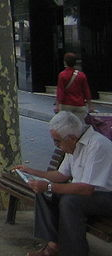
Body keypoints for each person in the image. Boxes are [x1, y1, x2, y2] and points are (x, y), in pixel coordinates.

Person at [15, 111, 112, 256]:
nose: (56, 145)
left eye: (57, 141)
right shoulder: (73, 145)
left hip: (105, 196)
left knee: (70, 201)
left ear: (71, 138)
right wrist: (33, 172)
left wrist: (49, 186)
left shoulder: (97, 145)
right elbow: (61, 175)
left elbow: (86, 189)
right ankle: (53, 245)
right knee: (45, 194)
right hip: (86, 193)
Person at [56, 53, 92, 119]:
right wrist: (90, 106)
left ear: (65, 62)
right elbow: (86, 91)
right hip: (80, 105)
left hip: (66, 105)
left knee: (66, 125)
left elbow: (60, 91)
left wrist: (58, 105)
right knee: (79, 125)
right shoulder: (81, 75)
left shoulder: (62, 75)